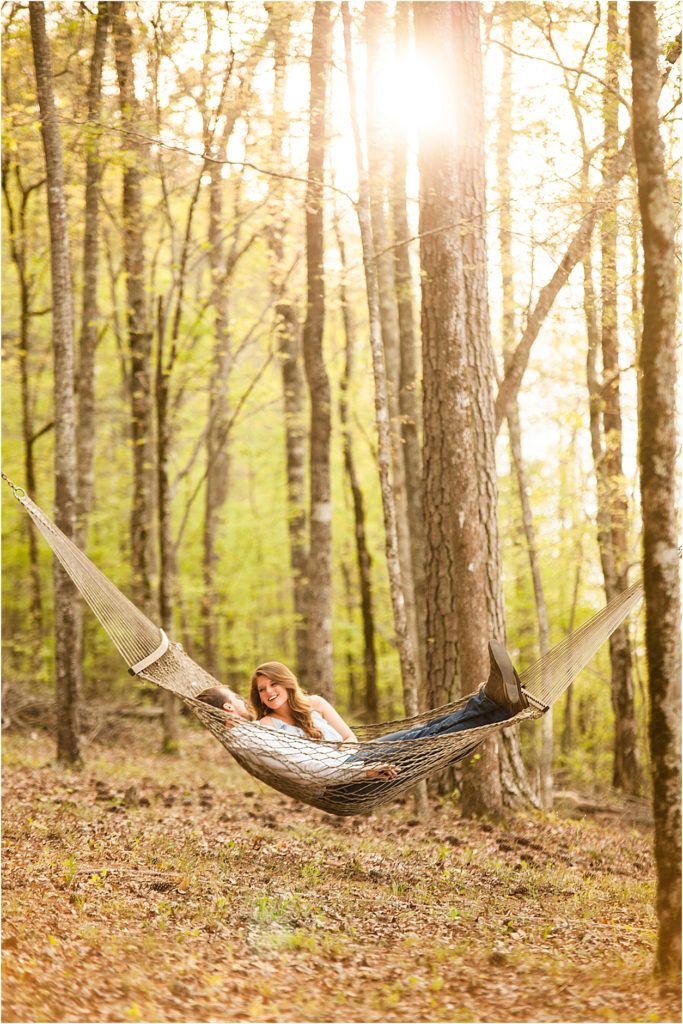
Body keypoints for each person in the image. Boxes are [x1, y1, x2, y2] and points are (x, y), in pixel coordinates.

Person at [195, 641, 528, 792]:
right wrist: (358, 768)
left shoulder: (315, 703)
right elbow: (302, 764)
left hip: (359, 754)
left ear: (286, 683)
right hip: (350, 775)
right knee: (427, 736)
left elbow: (350, 736)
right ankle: (491, 701)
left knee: (429, 732)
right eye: (261, 690)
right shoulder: (265, 728)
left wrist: (346, 751)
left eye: (273, 685)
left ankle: (498, 705)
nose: (268, 693)